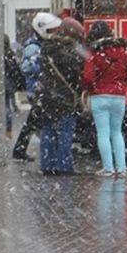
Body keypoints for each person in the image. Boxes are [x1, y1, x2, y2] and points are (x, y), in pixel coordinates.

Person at [82, 21, 127, 177]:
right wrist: (122, 84)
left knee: (103, 134)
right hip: (119, 97)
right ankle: (122, 168)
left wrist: (91, 88)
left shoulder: (94, 53)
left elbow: (87, 76)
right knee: (117, 132)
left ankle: (108, 168)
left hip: (99, 97)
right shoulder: (124, 51)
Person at [35, 16, 85, 175]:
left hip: (47, 97)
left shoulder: (46, 48)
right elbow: (76, 76)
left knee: (48, 130)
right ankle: (64, 166)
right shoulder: (72, 52)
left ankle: (46, 165)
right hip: (65, 99)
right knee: (65, 132)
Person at [12, 13, 54, 162]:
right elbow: (26, 67)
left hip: (38, 89)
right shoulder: (33, 47)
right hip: (36, 90)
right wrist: (41, 65)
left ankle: (20, 149)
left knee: (33, 122)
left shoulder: (38, 45)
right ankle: (21, 149)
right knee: (35, 122)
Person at [3, 34, 24, 139]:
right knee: (8, 105)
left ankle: (7, 128)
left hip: (3, 83)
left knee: (5, 105)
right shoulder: (10, 54)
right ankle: (8, 129)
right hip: (9, 83)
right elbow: (15, 70)